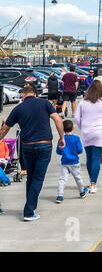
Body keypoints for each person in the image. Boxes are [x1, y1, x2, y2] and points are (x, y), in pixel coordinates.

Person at [0, 84, 65, 221]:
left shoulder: (18, 108)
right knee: (38, 178)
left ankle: (31, 206)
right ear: (35, 93)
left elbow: (5, 129)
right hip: (44, 145)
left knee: (31, 177)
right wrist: (62, 137)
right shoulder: (45, 103)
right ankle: (29, 211)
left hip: (27, 146)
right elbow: (58, 119)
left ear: (23, 95)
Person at [75, 80, 102, 194]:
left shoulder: (82, 102)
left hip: (87, 131)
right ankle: (93, 183)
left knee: (89, 157)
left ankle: (92, 180)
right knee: (96, 157)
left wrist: (82, 127)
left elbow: (77, 118)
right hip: (100, 131)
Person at [55, 120, 89, 203]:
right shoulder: (76, 138)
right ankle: (82, 192)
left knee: (62, 179)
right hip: (74, 162)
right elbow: (80, 150)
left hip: (64, 162)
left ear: (62, 129)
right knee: (77, 177)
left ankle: (60, 195)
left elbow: (58, 151)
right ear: (72, 128)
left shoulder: (61, 139)